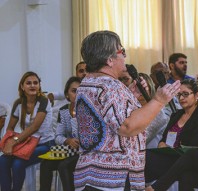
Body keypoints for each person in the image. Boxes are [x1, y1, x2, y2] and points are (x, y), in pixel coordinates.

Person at [73, 30, 181, 191]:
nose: (124, 56)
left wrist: (130, 96)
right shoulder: (110, 85)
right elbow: (127, 126)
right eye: (121, 51)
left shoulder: (87, 84)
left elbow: (107, 119)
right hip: (115, 177)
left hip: (92, 174)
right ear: (109, 60)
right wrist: (159, 100)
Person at [145, 79, 198, 184]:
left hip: (184, 161)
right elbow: (163, 140)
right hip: (167, 156)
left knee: (147, 159)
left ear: (196, 95)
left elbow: (195, 148)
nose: (181, 98)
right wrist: (162, 144)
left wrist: (173, 149)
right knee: (144, 156)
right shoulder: (176, 115)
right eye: (179, 94)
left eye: (185, 94)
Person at [0, 71, 55, 191]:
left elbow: (34, 127)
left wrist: (13, 142)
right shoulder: (19, 103)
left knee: (17, 164)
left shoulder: (43, 101)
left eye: (35, 83)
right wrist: (7, 142)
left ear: (39, 86)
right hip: (26, 143)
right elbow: (10, 128)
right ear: (22, 86)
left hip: (45, 144)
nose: (32, 85)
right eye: (28, 83)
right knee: (2, 161)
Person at [40, 76, 81, 191]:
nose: (77, 94)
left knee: (64, 166)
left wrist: (74, 116)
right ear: (67, 95)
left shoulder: (88, 110)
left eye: (81, 90)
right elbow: (58, 136)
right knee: (45, 163)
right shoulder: (63, 110)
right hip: (69, 150)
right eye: (74, 91)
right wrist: (67, 140)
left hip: (84, 152)